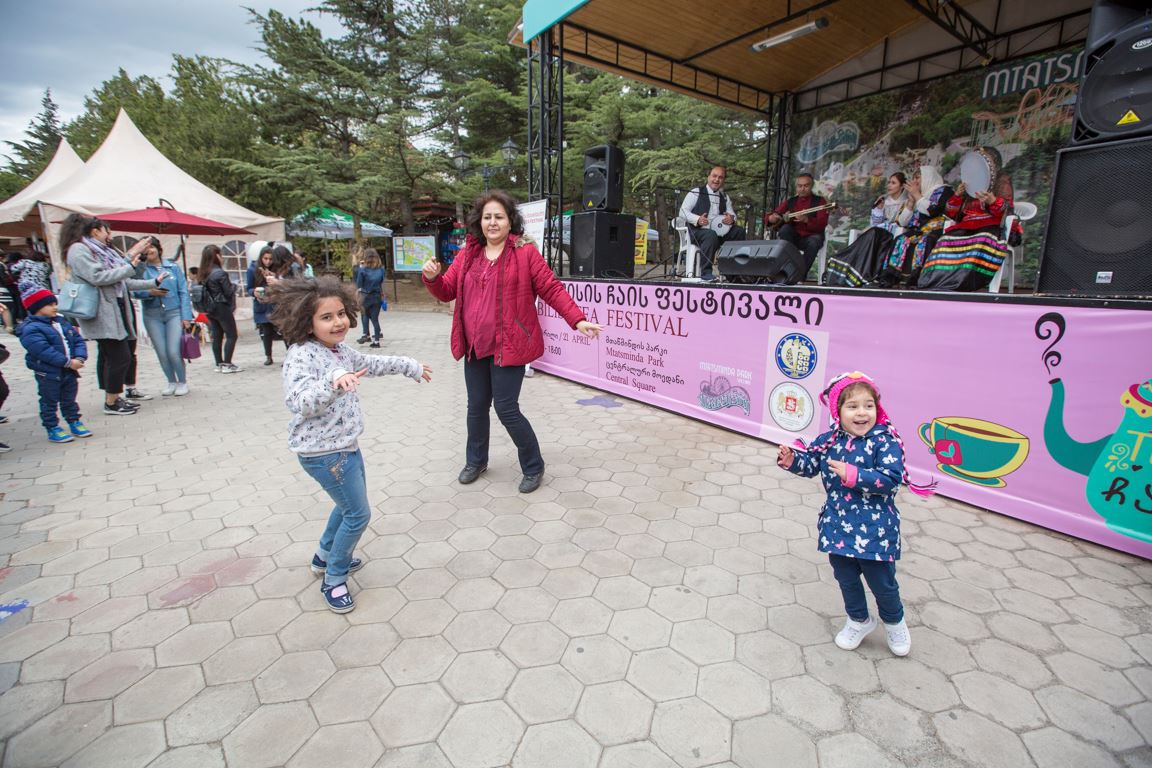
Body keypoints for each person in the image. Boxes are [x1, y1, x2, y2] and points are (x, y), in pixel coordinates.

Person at [422, 190, 602, 494]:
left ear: (510, 221)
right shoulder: (468, 254)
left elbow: (551, 288)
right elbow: (447, 290)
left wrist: (577, 319)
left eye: (499, 217)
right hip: (475, 346)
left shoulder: (524, 252)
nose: (492, 223)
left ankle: (533, 466)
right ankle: (476, 461)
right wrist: (432, 278)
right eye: (487, 217)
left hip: (510, 345)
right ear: (479, 221)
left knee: (506, 408)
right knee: (476, 407)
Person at [271, 276, 431, 612]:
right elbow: (299, 402)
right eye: (326, 317)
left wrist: (409, 366)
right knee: (358, 515)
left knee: (346, 507)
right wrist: (334, 383)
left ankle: (323, 556)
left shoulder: (339, 350)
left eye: (341, 314)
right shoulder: (301, 356)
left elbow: (372, 364)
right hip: (323, 453)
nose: (338, 322)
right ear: (307, 322)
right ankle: (334, 578)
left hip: (346, 446)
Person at [777, 371, 933, 657]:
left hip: (876, 531)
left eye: (868, 405)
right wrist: (792, 460)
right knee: (846, 579)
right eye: (853, 406)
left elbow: (891, 479)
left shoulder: (885, 441)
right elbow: (811, 464)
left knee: (883, 584)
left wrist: (854, 474)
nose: (862, 413)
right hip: (837, 526)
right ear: (838, 411)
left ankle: (894, 622)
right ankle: (859, 620)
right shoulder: (829, 440)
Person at [60, 214, 166, 415]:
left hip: (115, 308)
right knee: (120, 356)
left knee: (114, 355)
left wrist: (152, 281)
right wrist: (131, 264)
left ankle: (114, 397)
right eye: (106, 230)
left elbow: (121, 278)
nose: (109, 234)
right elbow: (98, 277)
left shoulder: (100, 250)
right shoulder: (79, 250)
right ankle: (111, 402)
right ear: (95, 231)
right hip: (102, 311)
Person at [16, 285, 93, 443]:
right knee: (49, 401)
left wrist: (80, 357)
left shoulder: (61, 322)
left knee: (69, 399)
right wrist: (67, 362)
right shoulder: (31, 329)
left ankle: (74, 421)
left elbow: (77, 340)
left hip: (69, 370)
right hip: (48, 373)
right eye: (50, 305)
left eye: (55, 303)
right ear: (37, 307)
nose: (55, 307)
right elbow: (43, 351)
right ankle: (52, 427)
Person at [917, 171, 1012, 292]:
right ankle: (935, 282)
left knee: (981, 240)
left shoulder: (1000, 185)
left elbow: (1006, 212)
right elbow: (951, 213)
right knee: (944, 240)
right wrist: (957, 195)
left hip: (989, 227)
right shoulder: (968, 191)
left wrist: (993, 201)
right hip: (965, 227)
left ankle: (961, 282)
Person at [824, 173, 913, 287]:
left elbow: (903, 223)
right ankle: (848, 266)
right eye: (889, 182)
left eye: (893, 183)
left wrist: (909, 206)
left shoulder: (907, 202)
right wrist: (879, 209)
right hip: (879, 234)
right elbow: (875, 223)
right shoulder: (884, 201)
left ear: (901, 186)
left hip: (891, 236)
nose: (889, 185)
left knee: (873, 233)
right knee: (872, 234)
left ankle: (848, 262)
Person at [134, 237, 194, 396]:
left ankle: (182, 382)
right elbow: (134, 291)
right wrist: (149, 292)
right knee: (161, 352)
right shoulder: (141, 270)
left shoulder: (173, 267)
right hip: (152, 315)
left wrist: (186, 316)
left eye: (151, 247)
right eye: (145, 249)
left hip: (174, 313)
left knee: (173, 351)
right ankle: (171, 381)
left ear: (158, 249)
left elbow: (183, 292)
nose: (149, 251)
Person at [877, 166, 953, 288]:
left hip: (937, 229)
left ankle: (917, 278)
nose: (915, 181)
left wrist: (917, 196)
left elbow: (933, 211)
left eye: (917, 177)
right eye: (913, 178)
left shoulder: (943, 191)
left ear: (928, 177)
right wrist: (911, 203)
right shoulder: (919, 195)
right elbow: (903, 222)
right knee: (901, 239)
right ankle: (892, 277)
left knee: (925, 241)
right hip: (920, 230)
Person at [678, 165, 746, 281]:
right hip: (698, 232)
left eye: (720, 177)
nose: (717, 179)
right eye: (714, 176)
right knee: (710, 234)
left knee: (739, 232)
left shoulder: (724, 197)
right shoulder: (696, 192)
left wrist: (731, 219)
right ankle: (706, 273)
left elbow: (732, 214)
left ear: (723, 180)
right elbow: (682, 212)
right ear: (708, 177)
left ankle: (733, 273)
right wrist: (697, 219)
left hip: (720, 234)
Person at [764, 172, 830, 282]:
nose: (802, 189)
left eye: (806, 186)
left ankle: (800, 276)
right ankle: (787, 272)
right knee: (784, 230)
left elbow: (822, 224)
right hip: (793, 238)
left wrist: (807, 220)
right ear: (796, 187)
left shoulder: (820, 201)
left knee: (813, 242)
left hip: (812, 236)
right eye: (800, 186)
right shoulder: (791, 201)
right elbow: (773, 215)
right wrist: (771, 218)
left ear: (811, 186)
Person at [197, 245, 242, 373]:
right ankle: (227, 363)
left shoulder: (203, 273)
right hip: (221, 306)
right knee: (231, 335)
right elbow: (228, 291)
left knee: (217, 336)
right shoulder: (219, 273)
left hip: (209, 308)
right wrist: (235, 286)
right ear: (217, 256)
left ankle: (219, 363)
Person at [247, 245, 288, 366]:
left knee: (283, 330)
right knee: (266, 331)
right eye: (265, 258)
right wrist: (254, 292)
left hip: (276, 303)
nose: (268, 261)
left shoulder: (277, 269)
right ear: (261, 258)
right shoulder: (253, 269)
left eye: (270, 259)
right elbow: (249, 288)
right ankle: (268, 356)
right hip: (263, 304)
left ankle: (289, 355)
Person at [355, 248, 386, 347]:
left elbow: (359, 284)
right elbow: (381, 282)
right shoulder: (381, 269)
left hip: (365, 296)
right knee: (375, 319)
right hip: (377, 296)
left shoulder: (363, 270)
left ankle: (365, 335)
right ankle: (376, 341)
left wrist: (360, 268)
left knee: (365, 315)